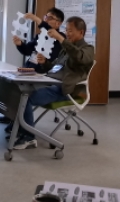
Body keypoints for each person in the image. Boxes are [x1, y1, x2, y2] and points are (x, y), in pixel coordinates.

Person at [12, 16, 94, 150]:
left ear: (81, 32)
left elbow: (79, 57)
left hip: (64, 90)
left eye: (70, 31)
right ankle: (17, 127)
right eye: (66, 30)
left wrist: (61, 39)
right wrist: (45, 63)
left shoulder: (88, 49)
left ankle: (29, 137)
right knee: (19, 90)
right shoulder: (66, 49)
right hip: (51, 83)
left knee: (26, 97)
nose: (67, 33)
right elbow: (55, 68)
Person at [2, 8, 66, 126]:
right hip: (29, 70)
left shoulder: (60, 38)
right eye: (45, 17)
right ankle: (11, 116)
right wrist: (20, 44)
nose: (46, 20)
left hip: (43, 75)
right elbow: (27, 50)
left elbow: (49, 30)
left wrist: (37, 19)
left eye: (50, 18)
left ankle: (24, 127)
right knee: (8, 83)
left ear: (58, 23)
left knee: (21, 92)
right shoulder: (40, 36)